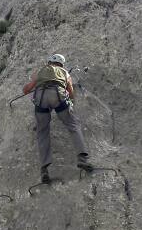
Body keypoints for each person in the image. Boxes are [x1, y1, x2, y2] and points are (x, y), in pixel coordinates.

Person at [23, 54, 93, 183]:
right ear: (61, 64)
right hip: (58, 95)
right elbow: (70, 92)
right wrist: (70, 103)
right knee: (72, 125)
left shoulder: (40, 70)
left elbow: (27, 89)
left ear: (49, 62)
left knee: (42, 132)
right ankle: (83, 159)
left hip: (41, 97)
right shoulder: (65, 72)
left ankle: (44, 170)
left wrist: (30, 88)